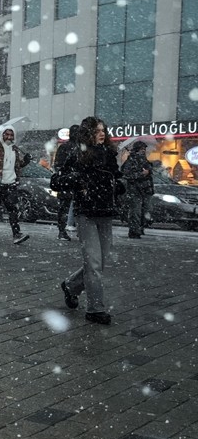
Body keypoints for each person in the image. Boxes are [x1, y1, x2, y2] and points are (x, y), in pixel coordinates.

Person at [57, 116, 122, 325]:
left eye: (104, 130)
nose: (102, 134)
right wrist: (76, 180)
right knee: (93, 262)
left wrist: (120, 185)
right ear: (88, 133)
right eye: (97, 130)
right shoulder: (77, 154)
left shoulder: (110, 154)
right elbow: (57, 180)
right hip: (85, 213)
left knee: (100, 262)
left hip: (105, 213)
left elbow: (118, 177)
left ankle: (71, 286)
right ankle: (95, 309)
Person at [0, 127, 32, 245]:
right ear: (2, 135)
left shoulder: (14, 149)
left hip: (11, 183)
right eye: (7, 134)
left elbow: (17, 165)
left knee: (13, 209)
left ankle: (16, 234)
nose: (9, 137)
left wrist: (26, 161)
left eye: (11, 135)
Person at [52, 124, 81, 240]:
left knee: (65, 207)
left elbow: (58, 165)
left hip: (68, 181)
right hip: (70, 181)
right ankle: (65, 231)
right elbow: (58, 165)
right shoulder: (77, 147)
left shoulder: (66, 147)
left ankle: (62, 231)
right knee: (74, 207)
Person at [122, 141, 153, 238]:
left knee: (146, 211)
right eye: (141, 149)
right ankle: (134, 231)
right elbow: (126, 174)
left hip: (146, 190)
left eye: (144, 149)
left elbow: (149, 174)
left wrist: (149, 170)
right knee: (136, 211)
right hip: (135, 190)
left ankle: (140, 228)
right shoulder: (131, 160)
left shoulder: (145, 160)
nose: (143, 151)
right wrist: (141, 174)